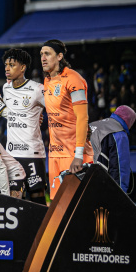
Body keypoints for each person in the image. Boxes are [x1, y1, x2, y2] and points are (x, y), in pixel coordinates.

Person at [40, 39, 93, 199]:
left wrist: (78, 155)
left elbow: (83, 117)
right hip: (55, 154)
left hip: (73, 155)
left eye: (47, 54)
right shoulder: (47, 80)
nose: (43, 58)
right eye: (41, 54)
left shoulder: (74, 79)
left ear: (59, 56)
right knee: (58, 204)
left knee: (77, 205)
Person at [2, 49, 48, 205]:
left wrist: (38, 117)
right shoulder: (6, 88)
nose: (7, 68)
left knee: (37, 197)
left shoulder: (37, 89)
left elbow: (55, 109)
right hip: (12, 154)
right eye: (6, 65)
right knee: (14, 198)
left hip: (32, 153)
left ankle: (41, 229)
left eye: (12, 65)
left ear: (22, 68)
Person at [89, 105, 136, 193]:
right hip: (97, 184)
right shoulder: (119, 133)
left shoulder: (92, 125)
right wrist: (120, 195)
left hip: (76, 179)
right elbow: (120, 168)